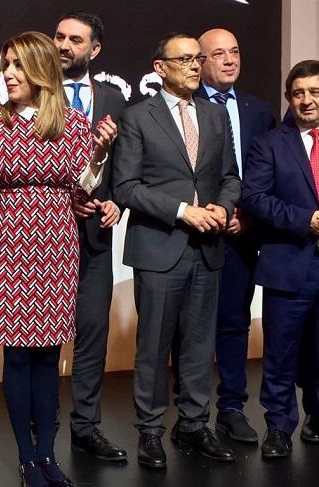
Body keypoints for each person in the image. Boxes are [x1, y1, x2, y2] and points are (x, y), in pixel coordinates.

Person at [0, 31, 108, 486]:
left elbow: (84, 185)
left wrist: (101, 153)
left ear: (41, 71)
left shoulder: (71, 123)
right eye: (5, 64)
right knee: (17, 358)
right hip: (11, 245)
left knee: (49, 357)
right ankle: (27, 458)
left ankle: (48, 455)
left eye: (17, 65)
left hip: (56, 246)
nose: (8, 74)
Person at [112, 32, 240, 468]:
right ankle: (150, 431)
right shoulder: (137, 117)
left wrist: (222, 209)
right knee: (153, 345)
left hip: (207, 247)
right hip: (159, 246)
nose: (194, 65)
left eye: (197, 58)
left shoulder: (215, 115)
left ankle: (192, 425)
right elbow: (126, 187)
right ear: (159, 66)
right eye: (184, 59)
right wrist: (184, 210)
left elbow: (230, 176)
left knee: (200, 345)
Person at [191, 28, 276, 443]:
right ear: (201, 62)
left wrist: (248, 217)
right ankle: (190, 414)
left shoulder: (259, 111)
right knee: (189, 327)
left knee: (233, 323)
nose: (229, 60)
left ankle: (231, 407)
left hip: (243, 234)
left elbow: (270, 176)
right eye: (218, 54)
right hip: (196, 230)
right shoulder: (186, 105)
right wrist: (214, 211)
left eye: (235, 52)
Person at [52, 10, 127, 461]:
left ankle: (85, 427)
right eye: (59, 36)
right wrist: (63, 198)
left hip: (96, 237)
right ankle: (39, 437)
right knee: (40, 340)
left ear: (93, 50)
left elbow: (126, 164)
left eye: (74, 40)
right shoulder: (35, 94)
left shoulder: (115, 98)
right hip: (43, 236)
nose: (63, 45)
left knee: (93, 333)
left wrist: (116, 198)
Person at [241, 59, 319, 458]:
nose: (306, 100)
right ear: (289, 98)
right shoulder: (270, 143)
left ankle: (316, 416)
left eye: (314, 92)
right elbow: (254, 198)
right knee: (280, 353)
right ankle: (278, 427)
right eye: (299, 93)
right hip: (289, 262)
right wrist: (307, 220)